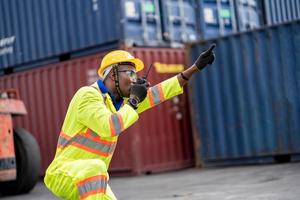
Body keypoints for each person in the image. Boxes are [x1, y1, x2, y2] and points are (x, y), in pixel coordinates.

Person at [44, 44, 216, 200]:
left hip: (92, 176)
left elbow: (158, 94)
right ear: (113, 74)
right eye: (130, 73)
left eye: (136, 74)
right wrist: (134, 100)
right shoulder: (88, 95)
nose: (134, 79)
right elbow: (110, 127)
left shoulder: (119, 105)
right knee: (95, 166)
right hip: (63, 174)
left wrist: (194, 68)